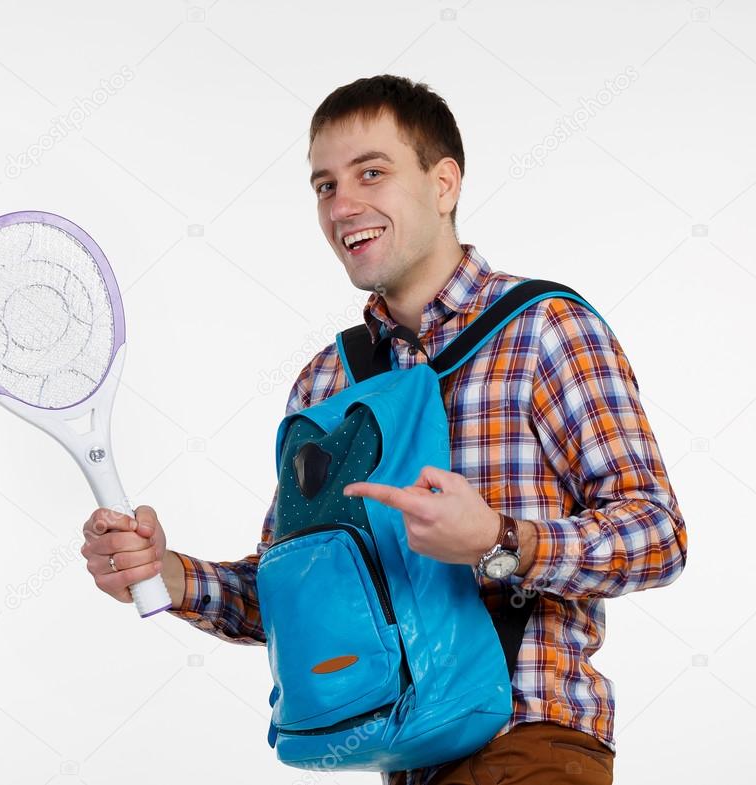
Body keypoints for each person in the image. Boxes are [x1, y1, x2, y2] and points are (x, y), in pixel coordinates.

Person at [81, 74, 688, 785]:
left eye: (372, 172)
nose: (344, 205)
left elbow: (659, 535)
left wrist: (498, 540)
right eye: (324, 185)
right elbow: (297, 589)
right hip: (402, 755)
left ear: (443, 184)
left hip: (530, 741)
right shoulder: (326, 384)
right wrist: (170, 572)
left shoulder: (546, 329)